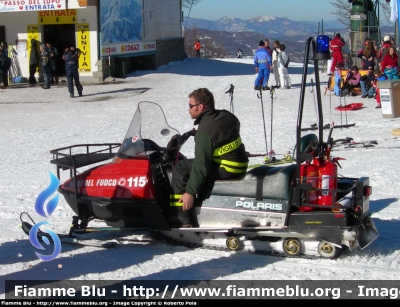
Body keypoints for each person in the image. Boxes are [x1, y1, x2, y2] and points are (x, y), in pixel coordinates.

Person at [168, 88, 249, 227]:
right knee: (189, 165)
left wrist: (190, 192)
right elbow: (222, 136)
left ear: (201, 107)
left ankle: (181, 216)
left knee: (181, 167)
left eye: (190, 106)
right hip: (239, 164)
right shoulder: (227, 116)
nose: (188, 109)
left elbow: (201, 164)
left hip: (227, 167)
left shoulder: (204, 131)